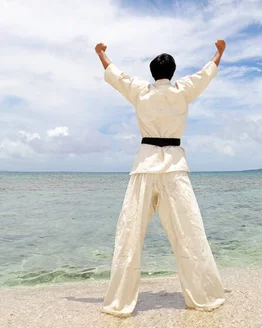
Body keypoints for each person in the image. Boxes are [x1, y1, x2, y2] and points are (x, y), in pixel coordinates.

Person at [95, 39, 227, 317]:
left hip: (145, 166)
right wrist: (219, 52)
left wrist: (101, 54)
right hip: (174, 168)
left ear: (152, 72)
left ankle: (119, 301)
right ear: (173, 72)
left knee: (130, 235)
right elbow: (206, 73)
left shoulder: (141, 91)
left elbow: (116, 75)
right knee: (189, 233)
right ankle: (202, 296)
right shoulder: (182, 91)